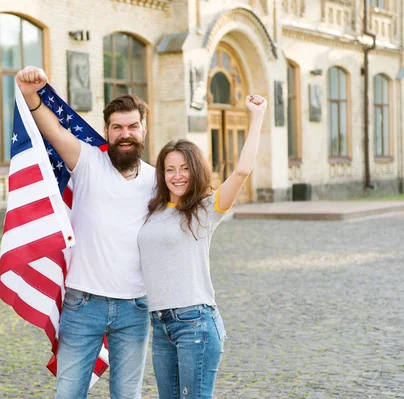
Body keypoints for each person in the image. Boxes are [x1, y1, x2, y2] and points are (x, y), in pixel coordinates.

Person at [16, 66, 155, 399]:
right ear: (106, 130)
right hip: (83, 304)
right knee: (68, 393)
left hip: (135, 308)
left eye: (132, 126)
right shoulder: (87, 161)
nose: (125, 134)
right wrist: (29, 92)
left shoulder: (157, 180)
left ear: (144, 129)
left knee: (127, 395)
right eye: (117, 127)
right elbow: (53, 131)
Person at [138, 95, 267, 399]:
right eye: (170, 169)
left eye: (184, 168)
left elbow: (241, 172)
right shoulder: (152, 210)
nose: (177, 176)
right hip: (160, 326)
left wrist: (257, 116)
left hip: (195, 324)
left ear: (195, 170)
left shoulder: (206, 209)